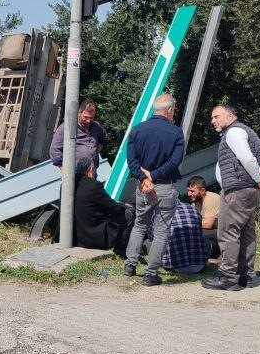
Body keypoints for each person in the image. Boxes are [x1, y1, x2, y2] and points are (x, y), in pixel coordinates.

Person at [202, 104, 260, 292]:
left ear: (231, 116)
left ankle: (228, 277)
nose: (213, 120)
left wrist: (259, 179)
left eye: (216, 116)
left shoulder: (234, 133)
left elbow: (247, 158)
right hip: (248, 190)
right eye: (212, 117)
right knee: (246, 233)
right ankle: (245, 276)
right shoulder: (242, 131)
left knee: (227, 232)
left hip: (238, 191)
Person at [123, 94, 186, 286]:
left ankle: (130, 265)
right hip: (165, 186)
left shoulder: (137, 130)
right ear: (169, 110)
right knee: (161, 231)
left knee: (139, 224)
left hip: (144, 187)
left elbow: (131, 162)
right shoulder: (176, 133)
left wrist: (144, 178)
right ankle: (150, 274)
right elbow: (175, 161)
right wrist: (155, 175)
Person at [71, 155, 130, 253]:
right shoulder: (93, 185)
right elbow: (113, 208)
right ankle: (121, 250)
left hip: (74, 237)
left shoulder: (67, 184)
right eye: (95, 170)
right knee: (127, 214)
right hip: (92, 237)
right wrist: (123, 205)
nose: (96, 173)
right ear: (90, 169)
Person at [50, 99, 108, 167]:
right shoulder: (67, 127)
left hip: (92, 171)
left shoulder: (96, 126)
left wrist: (95, 152)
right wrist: (64, 170)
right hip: (74, 172)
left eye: (91, 117)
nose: (88, 120)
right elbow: (55, 149)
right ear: (79, 113)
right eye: (86, 117)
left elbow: (104, 139)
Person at [161, 193, 208, 275]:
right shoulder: (193, 208)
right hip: (199, 266)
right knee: (208, 243)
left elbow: (153, 237)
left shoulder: (161, 212)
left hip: (174, 266)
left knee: (148, 242)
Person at [186, 175, 222, 257]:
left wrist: (186, 225)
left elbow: (208, 224)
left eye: (192, 191)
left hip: (225, 232)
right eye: (188, 190)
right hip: (214, 232)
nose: (188, 194)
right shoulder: (196, 201)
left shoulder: (211, 199)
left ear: (202, 190)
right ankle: (213, 251)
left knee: (191, 233)